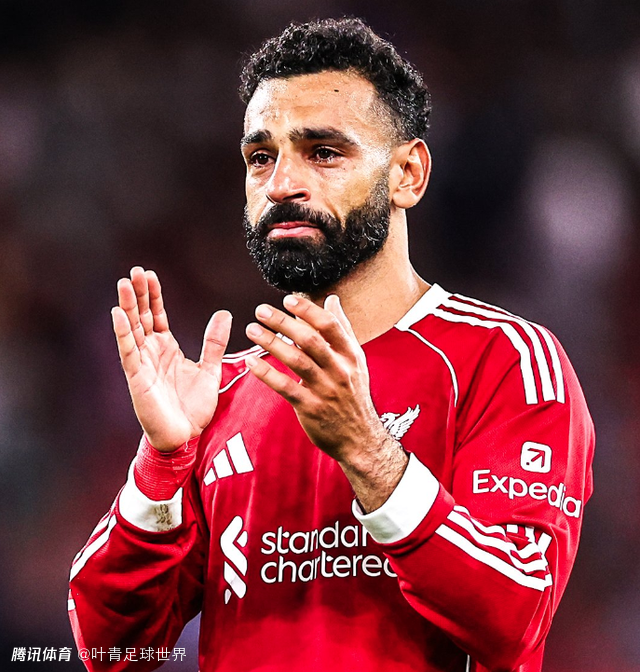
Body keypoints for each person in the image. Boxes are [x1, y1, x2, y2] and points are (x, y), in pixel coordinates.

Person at [68, 17, 594, 672]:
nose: (280, 185)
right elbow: (110, 651)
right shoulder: (220, 395)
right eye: (261, 157)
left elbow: (515, 618)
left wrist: (369, 452)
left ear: (408, 173)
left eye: (323, 152)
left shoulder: (505, 361)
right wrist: (162, 465)